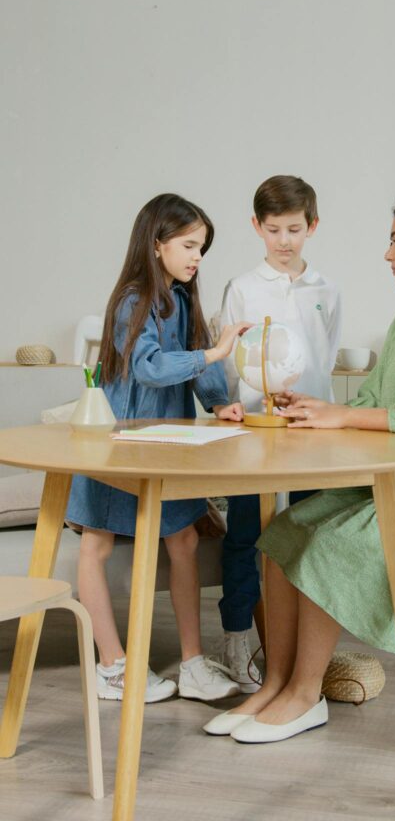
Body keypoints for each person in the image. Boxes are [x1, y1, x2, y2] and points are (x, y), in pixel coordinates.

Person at [203, 183, 395, 742]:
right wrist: (320, 410)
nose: (387, 253)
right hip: (394, 491)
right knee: (281, 536)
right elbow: (374, 404)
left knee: (328, 547)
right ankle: (275, 685)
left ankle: (307, 696)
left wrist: (344, 418)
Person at [66, 193, 250, 703]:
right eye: (189, 245)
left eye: (202, 249)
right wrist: (214, 351)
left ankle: (192, 664)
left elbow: (200, 361)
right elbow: (149, 366)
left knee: (185, 541)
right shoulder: (132, 300)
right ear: (157, 243)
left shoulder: (185, 298)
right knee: (95, 546)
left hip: (169, 446)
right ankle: (112, 665)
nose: (196, 257)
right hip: (118, 446)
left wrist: (217, 404)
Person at [217, 174, 342, 691]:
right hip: (254, 431)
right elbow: (228, 363)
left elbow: (326, 359)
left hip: (311, 430)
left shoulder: (326, 290)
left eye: (294, 229)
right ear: (256, 228)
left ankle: (299, 650)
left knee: (312, 532)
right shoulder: (242, 290)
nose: (284, 241)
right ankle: (237, 635)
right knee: (245, 532)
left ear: (312, 226)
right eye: (274, 230)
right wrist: (234, 407)